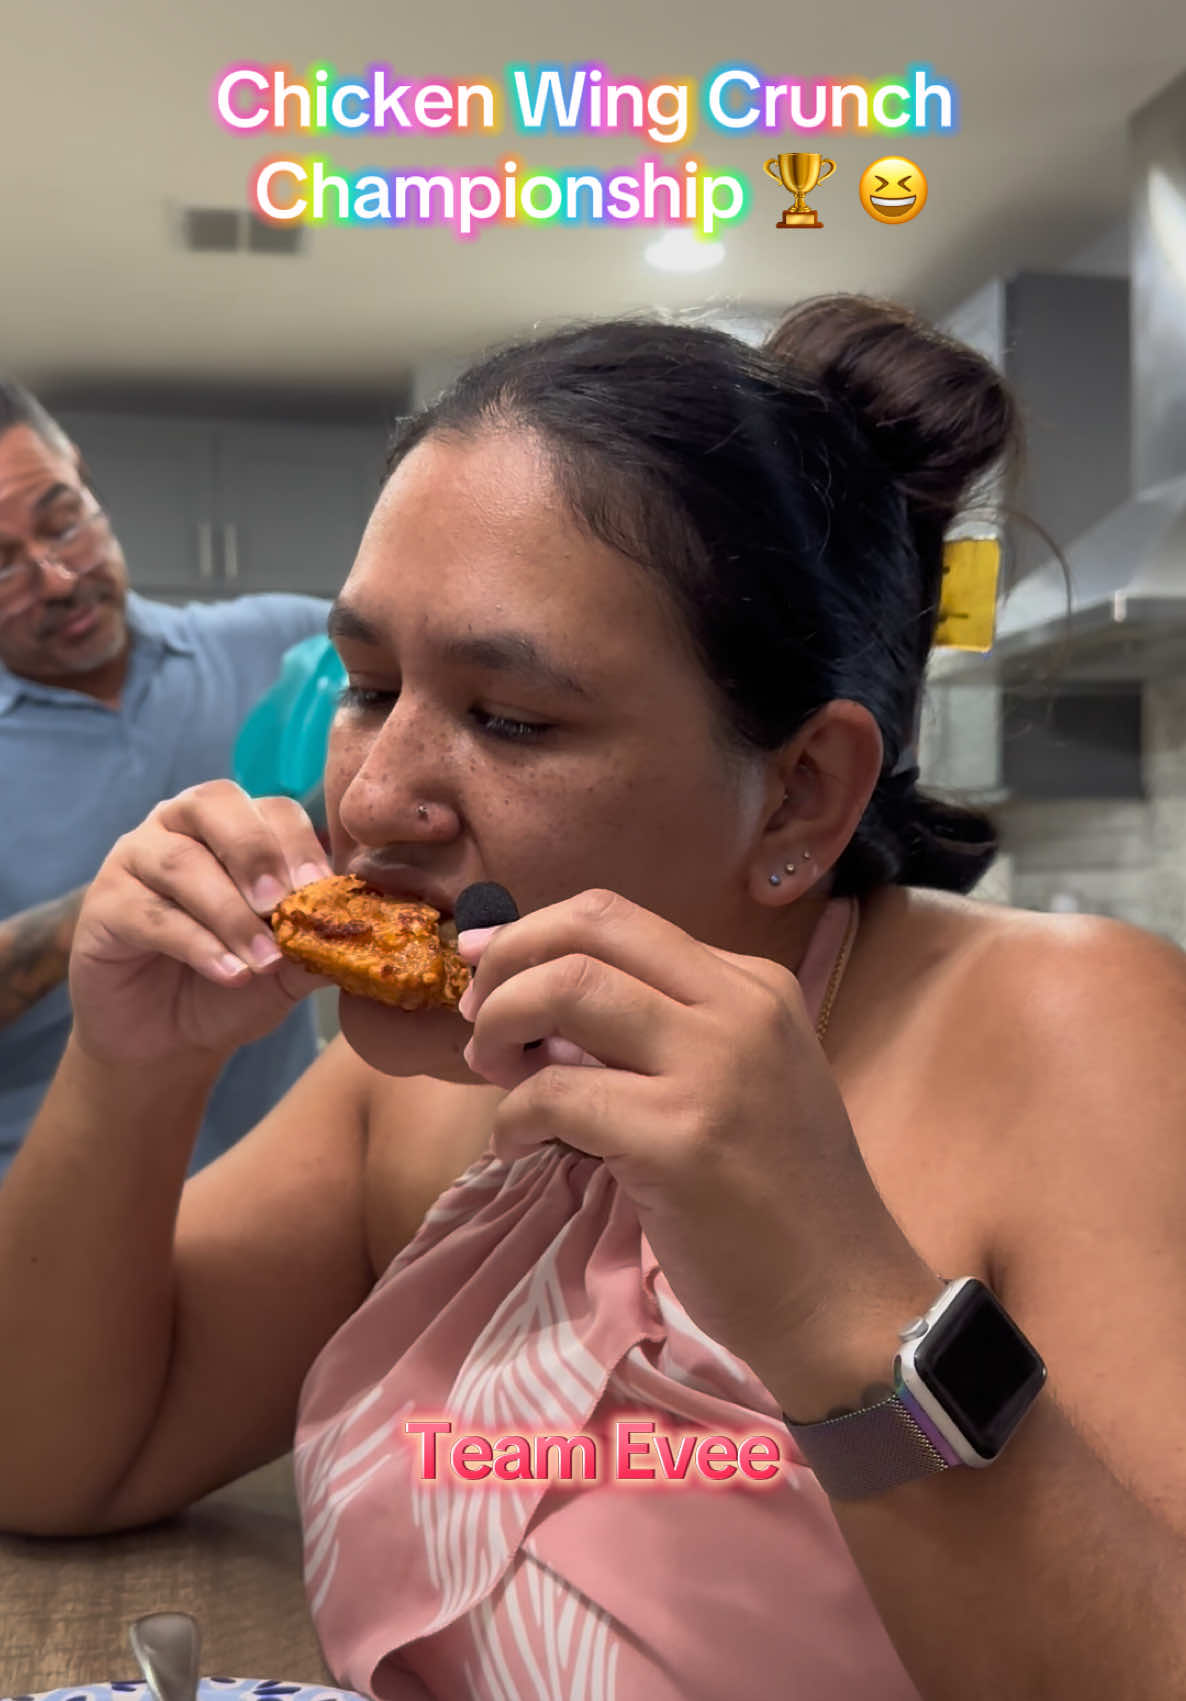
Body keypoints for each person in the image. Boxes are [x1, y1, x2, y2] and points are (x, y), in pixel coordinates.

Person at [1, 298, 1185, 1700]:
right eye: (370, 686)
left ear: (798, 790)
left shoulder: (1063, 1030)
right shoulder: (418, 1089)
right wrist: (131, 1072)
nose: (370, 799)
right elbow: (59, 1456)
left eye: (510, 720)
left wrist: (830, 1304)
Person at [0, 385, 333, 1179]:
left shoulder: (287, 648)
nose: (56, 577)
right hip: (48, 1223)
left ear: (83, 476)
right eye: (0, 563)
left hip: (294, 1199)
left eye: (63, 520)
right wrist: (127, 900)